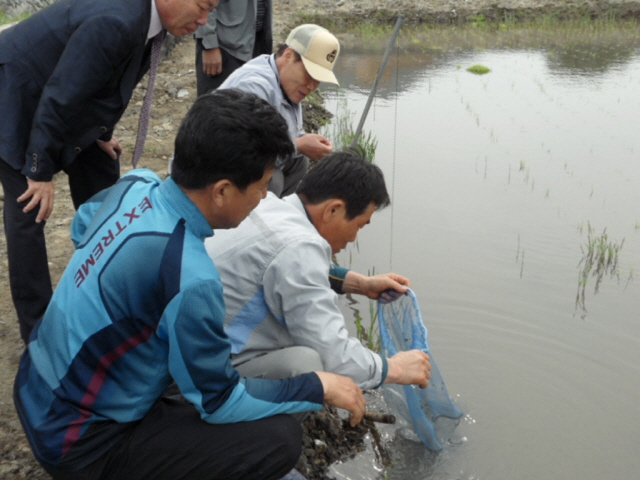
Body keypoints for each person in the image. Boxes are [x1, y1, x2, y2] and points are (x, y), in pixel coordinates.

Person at [13, 90, 366, 480]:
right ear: (222, 191)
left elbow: (83, 227)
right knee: (278, 439)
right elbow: (219, 401)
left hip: (34, 387)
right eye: (262, 184)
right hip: (81, 445)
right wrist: (316, 387)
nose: (265, 196)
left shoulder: (137, 184)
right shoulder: (190, 276)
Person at [0, 0, 217, 344]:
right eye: (202, 6)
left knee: (103, 171)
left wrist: (100, 134)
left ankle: (111, 281)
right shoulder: (118, 21)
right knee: (30, 208)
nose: (204, 21)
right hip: (15, 94)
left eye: (212, 12)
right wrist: (39, 171)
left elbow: (104, 81)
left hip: (54, 96)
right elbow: (62, 93)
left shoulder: (149, 22)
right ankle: (40, 332)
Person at [204, 150, 432, 391]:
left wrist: (359, 284)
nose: (353, 237)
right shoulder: (299, 249)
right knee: (307, 365)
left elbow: (283, 266)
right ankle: (258, 427)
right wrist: (394, 368)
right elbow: (333, 353)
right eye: (358, 225)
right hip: (203, 370)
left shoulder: (271, 205)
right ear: (333, 210)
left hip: (189, 344)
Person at [219, 23, 340, 197]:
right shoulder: (254, 87)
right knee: (270, 178)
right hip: (217, 169)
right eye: (310, 75)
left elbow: (284, 136)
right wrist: (298, 144)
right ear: (288, 56)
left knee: (299, 162)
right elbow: (245, 152)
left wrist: (305, 141)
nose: (312, 86)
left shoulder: (287, 82)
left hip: (244, 159)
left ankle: (274, 215)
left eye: (318, 79)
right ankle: (253, 220)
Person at [195, 0, 273, 96]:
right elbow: (202, 4)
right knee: (218, 105)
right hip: (225, 46)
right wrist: (209, 45)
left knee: (248, 104)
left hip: (256, 41)